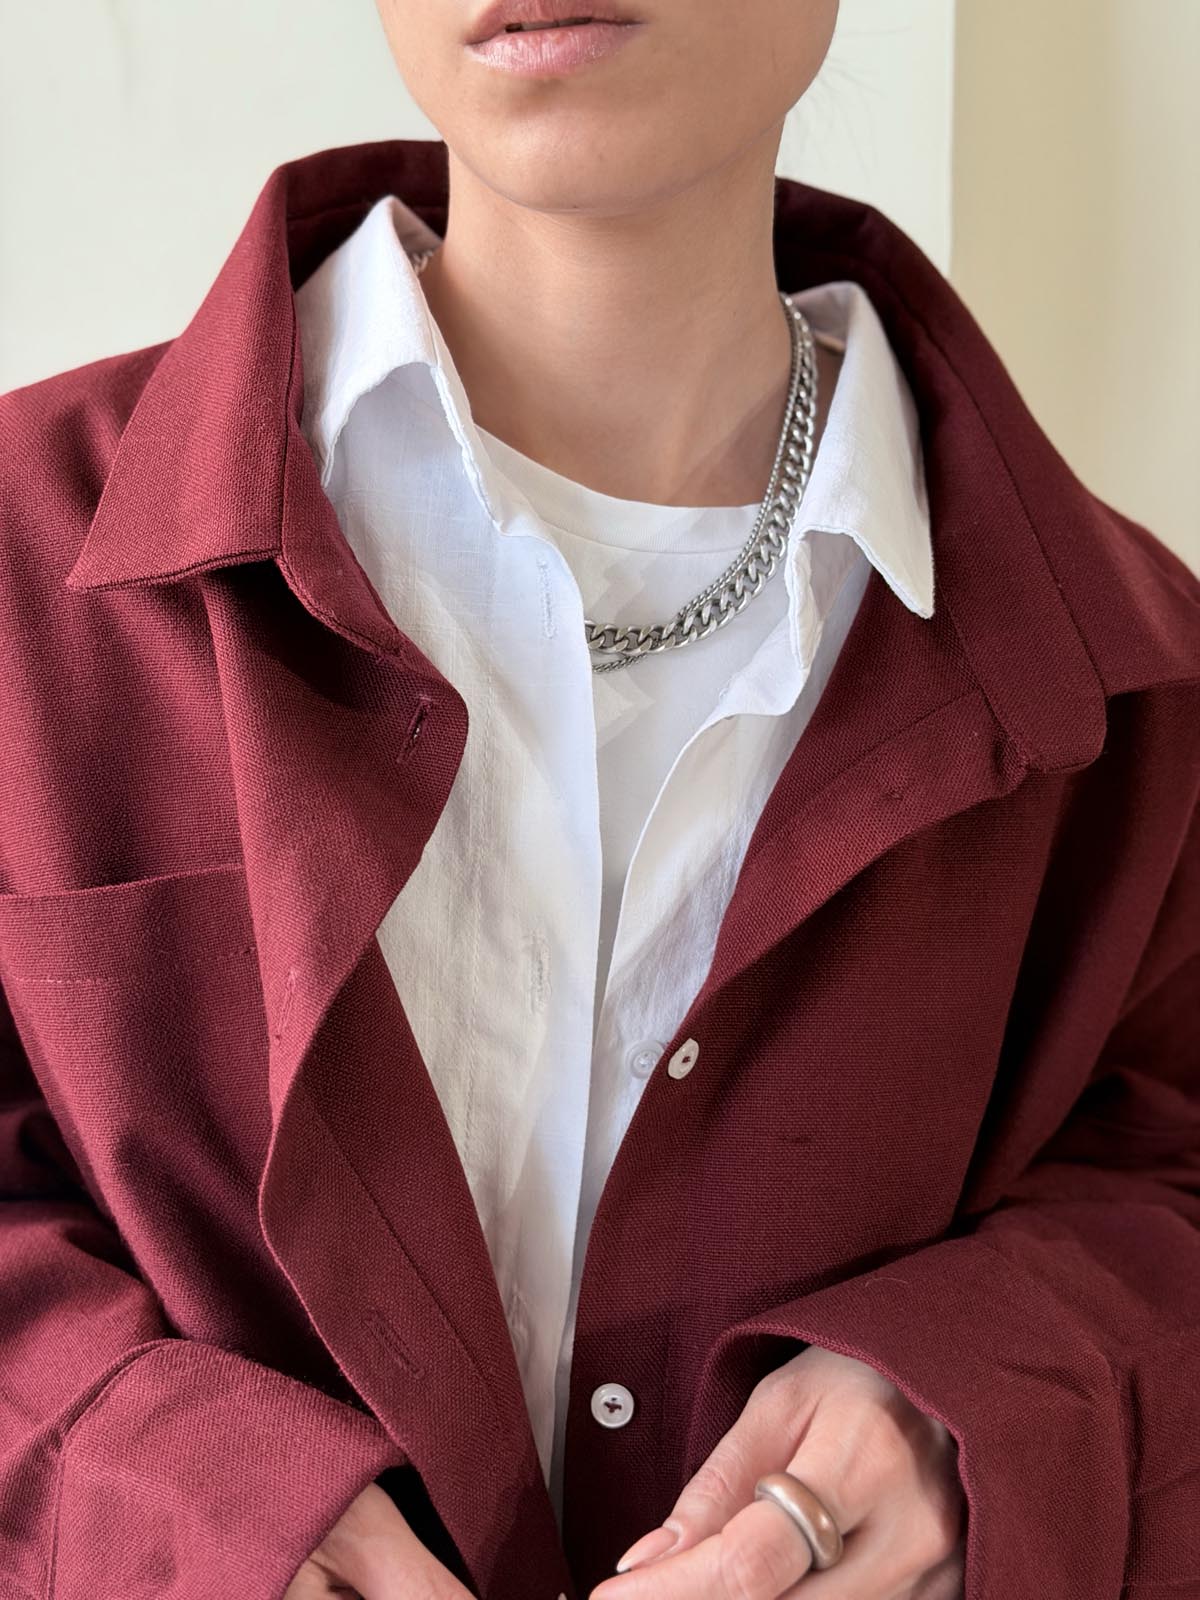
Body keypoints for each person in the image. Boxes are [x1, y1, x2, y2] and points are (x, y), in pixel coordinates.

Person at [0, 2, 1196, 1598]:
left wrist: (975, 1409)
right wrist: (187, 1507)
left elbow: (1164, 1192)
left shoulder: (1135, 693)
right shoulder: (27, 564)